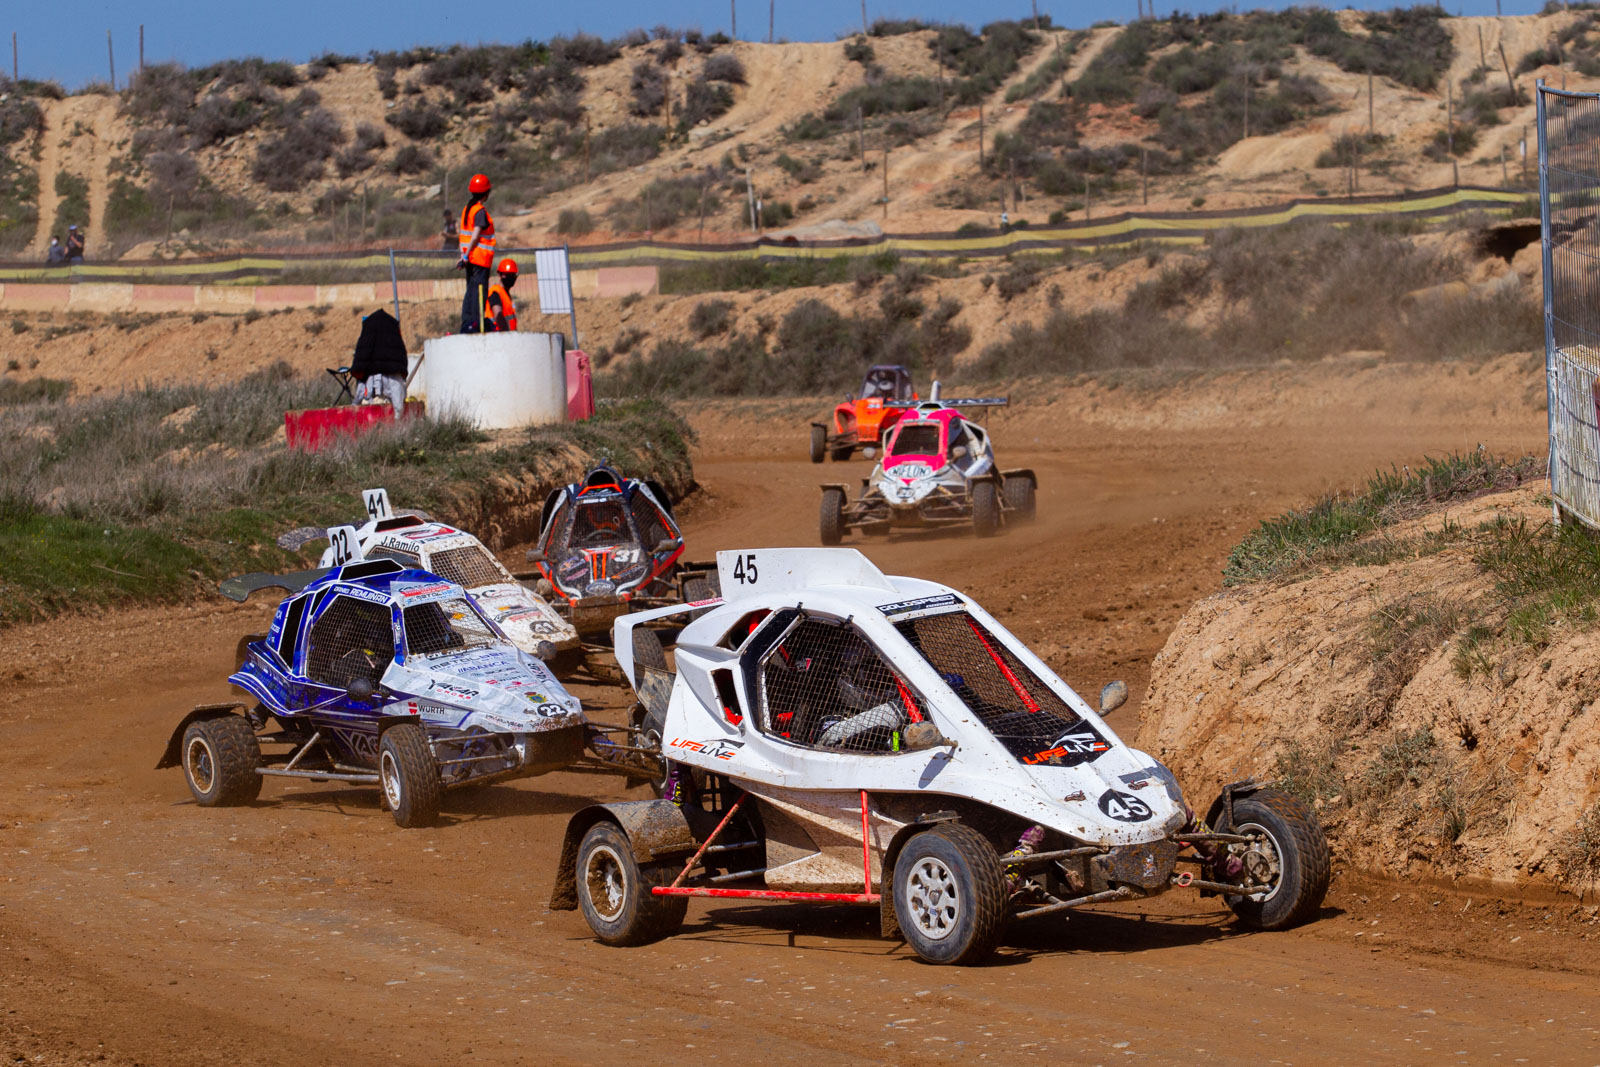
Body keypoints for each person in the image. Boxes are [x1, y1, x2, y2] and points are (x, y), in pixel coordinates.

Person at [349, 307, 409, 417]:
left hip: (371, 377)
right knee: (397, 403)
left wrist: (359, 370)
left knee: (367, 401)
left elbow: (362, 354)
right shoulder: (393, 326)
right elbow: (401, 355)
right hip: (392, 374)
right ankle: (397, 422)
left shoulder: (368, 327)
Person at [456, 174, 496, 333]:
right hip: (479, 258)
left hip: (470, 258)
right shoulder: (479, 211)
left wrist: (463, 255)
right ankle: (476, 323)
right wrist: (466, 255)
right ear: (486, 193)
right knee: (479, 291)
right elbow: (475, 236)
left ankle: (467, 322)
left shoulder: (467, 209)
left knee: (471, 290)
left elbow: (463, 235)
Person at [485, 257, 519, 332]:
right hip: (499, 335)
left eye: (513, 275)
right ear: (501, 275)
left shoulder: (505, 292)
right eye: (510, 275)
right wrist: (506, 335)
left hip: (509, 335)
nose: (512, 278)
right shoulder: (495, 292)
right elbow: (498, 315)